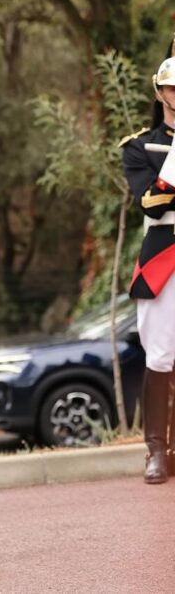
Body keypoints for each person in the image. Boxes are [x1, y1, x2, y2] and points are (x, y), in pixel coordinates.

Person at [120, 54, 175, 484]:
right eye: (171, 88)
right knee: (159, 357)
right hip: (164, 255)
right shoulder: (139, 146)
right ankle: (157, 450)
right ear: (159, 93)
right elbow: (151, 203)